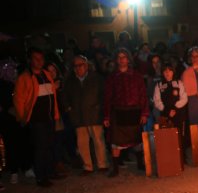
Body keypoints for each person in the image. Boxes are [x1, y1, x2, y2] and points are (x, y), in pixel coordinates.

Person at [13, 47, 62, 187]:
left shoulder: (46, 74)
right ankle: (41, 177)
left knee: (49, 145)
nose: (39, 61)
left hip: (49, 118)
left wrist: (55, 114)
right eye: (36, 59)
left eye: (41, 58)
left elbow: (53, 96)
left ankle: (50, 172)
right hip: (36, 120)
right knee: (40, 148)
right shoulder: (24, 78)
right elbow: (19, 100)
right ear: (30, 60)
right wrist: (22, 117)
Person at [103, 48, 149, 177]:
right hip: (118, 112)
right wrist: (106, 116)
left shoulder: (137, 76)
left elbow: (143, 95)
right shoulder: (112, 78)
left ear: (128, 59)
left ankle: (140, 164)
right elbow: (107, 98)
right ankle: (116, 168)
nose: (122, 59)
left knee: (137, 140)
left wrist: (144, 113)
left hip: (134, 111)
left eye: (124, 57)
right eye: (119, 57)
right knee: (116, 142)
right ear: (116, 60)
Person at [63, 55, 109, 175]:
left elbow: (104, 94)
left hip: (94, 114)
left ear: (87, 65)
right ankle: (87, 166)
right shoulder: (70, 81)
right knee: (82, 143)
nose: (79, 68)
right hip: (78, 116)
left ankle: (102, 164)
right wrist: (68, 108)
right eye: (76, 66)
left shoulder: (97, 78)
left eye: (81, 65)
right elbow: (64, 97)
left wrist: (100, 107)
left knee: (98, 140)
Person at [154, 64, 188, 138]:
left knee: (180, 136)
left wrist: (174, 108)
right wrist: (167, 110)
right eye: (165, 71)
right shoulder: (159, 85)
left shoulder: (179, 83)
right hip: (166, 115)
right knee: (168, 137)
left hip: (178, 114)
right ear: (162, 73)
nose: (167, 73)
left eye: (169, 70)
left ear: (173, 72)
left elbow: (184, 98)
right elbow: (157, 101)